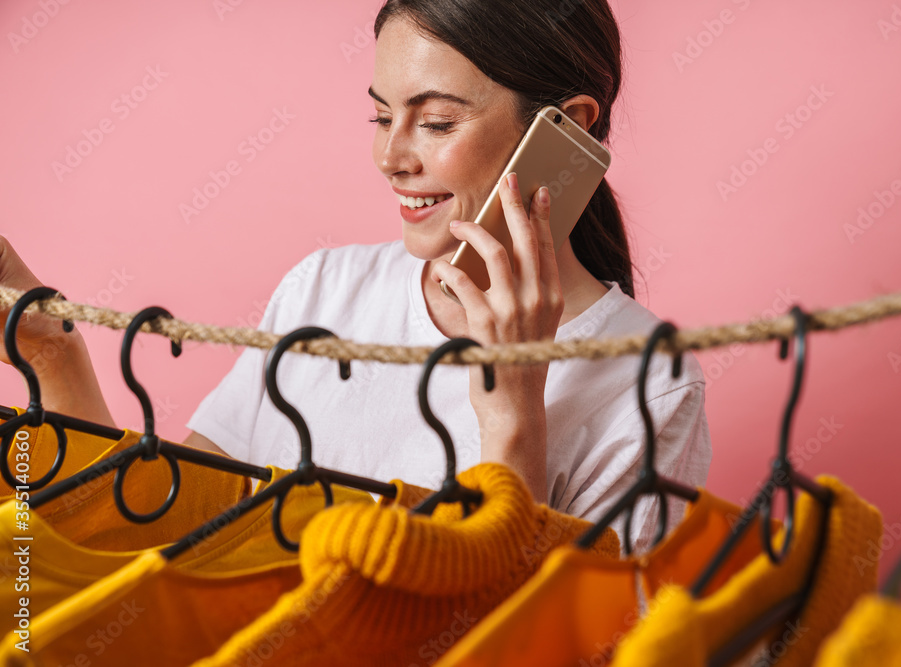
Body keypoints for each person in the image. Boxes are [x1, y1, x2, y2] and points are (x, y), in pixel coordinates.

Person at [0, 0, 711, 552]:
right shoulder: (322, 290)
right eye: (380, 115)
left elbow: (555, 643)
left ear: (568, 130)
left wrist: (514, 413)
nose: (391, 157)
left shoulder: (649, 380)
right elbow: (162, 531)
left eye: (434, 123)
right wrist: (52, 352)